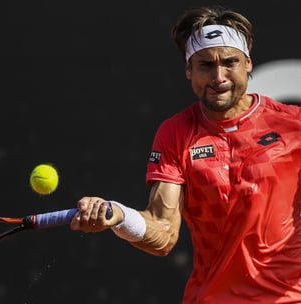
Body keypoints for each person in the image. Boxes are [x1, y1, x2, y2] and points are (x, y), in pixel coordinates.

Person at [70, 5, 301, 303]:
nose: (219, 76)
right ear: (189, 70)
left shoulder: (293, 124)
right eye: (205, 65)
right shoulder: (175, 133)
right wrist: (117, 215)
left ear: (247, 64)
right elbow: (163, 235)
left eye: (230, 62)